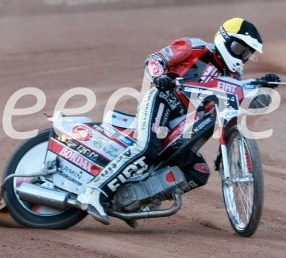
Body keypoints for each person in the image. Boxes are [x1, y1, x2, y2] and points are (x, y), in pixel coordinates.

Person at [76, 18, 275, 225]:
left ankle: (138, 199)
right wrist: (159, 76)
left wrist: (262, 86)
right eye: (240, 48)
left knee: (198, 172)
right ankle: (94, 193)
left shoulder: (233, 74)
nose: (242, 56)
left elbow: (239, 101)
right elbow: (155, 59)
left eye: (247, 53)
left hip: (185, 122)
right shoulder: (195, 47)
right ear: (225, 40)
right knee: (146, 148)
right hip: (163, 100)